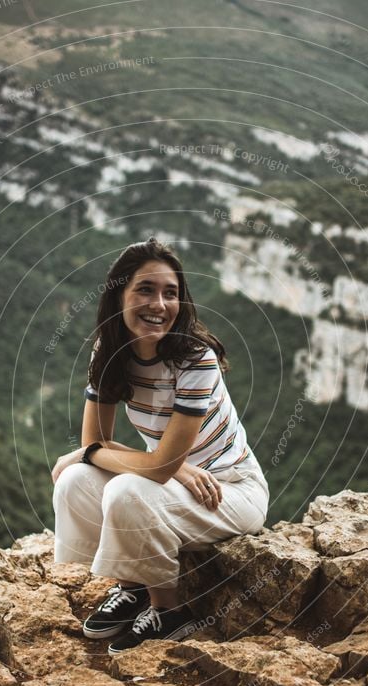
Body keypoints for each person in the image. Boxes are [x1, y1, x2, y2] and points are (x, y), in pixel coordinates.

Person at [51, 236, 269, 656]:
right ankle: (132, 588)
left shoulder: (194, 358)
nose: (159, 304)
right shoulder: (109, 351)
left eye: (171, 293)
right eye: (145, 290)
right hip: (178, 484)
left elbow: (138, 460)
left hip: (232, 490)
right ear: (119, 296)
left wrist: (161, 465)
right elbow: (104, 446)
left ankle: (168, 613)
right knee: (76, 479)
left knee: (124, 488)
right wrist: (169, 467)